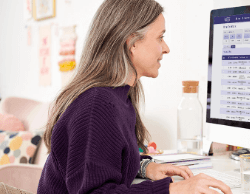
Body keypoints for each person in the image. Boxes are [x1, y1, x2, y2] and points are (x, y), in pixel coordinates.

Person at [37, 0, 233, 193]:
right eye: (160, 37)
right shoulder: (96, 105)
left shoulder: (118, 97)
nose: (166, 48)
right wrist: (173, 189)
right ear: (132, 43)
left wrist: (145, 167)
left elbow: (107, 159)